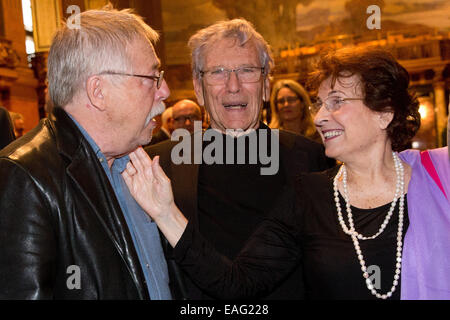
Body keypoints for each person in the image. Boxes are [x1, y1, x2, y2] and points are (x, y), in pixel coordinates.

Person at [125, 47, 450, 300]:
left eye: (336, 101)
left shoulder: (441, 177)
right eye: (319, 104)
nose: (321, 116)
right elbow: (236, 283)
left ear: (384, 113)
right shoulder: (307, 195)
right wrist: (166, 212)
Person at [145, 19, 331, 300]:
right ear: (198, 86)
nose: (233, 86)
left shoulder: (311, 159)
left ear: (266, 84)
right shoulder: (158, 164)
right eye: (218, 72)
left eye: (247, 71)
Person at [0, 7, 173, 299]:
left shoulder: (138, 166)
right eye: (151, 76)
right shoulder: (25, 177)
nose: (164, 90)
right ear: (98, 91)